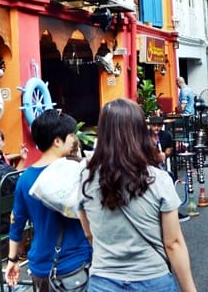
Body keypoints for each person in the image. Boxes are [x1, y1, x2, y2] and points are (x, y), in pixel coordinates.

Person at [78, 98, 197, 292]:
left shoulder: (86, 178)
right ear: (140, 132)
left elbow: (88, 233)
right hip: (153, 279)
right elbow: (173, 243)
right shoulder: (158, 179)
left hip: (103, 281)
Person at [6, 109, 92, 291]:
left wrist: (12, 260)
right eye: (70, 135)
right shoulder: (75, 172)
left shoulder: (25, 178)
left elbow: (16, 222)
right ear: (57, 141)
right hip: (73, 265)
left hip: (40, 267)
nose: (74, 139)